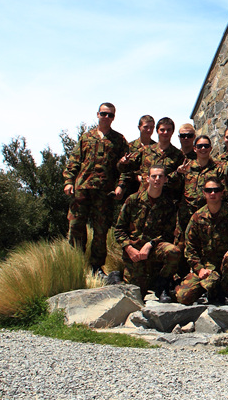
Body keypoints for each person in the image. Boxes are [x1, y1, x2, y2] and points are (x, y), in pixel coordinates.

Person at [62, 102, 129, 279]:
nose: (106, 117)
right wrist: (69, 182)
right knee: (76, 227)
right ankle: (75, 266)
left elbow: (126, 167)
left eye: (110, 115)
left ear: (114, 117)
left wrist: (121, 185)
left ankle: (96, 268)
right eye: (103, 114)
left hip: (104, 193)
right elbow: (74, 161)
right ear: (98, 114)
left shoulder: (119, 140)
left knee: (101, 231)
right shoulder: (86, 137)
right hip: (82, 190)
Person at [112, 165, 183, 300]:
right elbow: (119, 229)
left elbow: (169, 234)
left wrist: (151, 244)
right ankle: (115, 279)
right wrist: (128, 248)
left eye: (160, 176)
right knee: (136, 295)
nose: (157, 179)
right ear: (147, 179)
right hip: (134, 252)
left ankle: (162, 286)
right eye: (154, 176)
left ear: (165, 180)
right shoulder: (133, 200)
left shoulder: (168, 205)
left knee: (173, 251)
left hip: (154, 249)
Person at [177, 180, 228, 305]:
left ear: (222, 193)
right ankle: (211, 288)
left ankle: (224, 291)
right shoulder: (197, 217)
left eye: (216, 190)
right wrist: (199, 269)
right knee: (183, 296)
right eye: (208, 190)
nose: (212, 193)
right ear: (204, 193)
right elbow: (190, 248)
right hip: (207, 268)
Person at [177, 133, 228, 243]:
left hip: (207, 216)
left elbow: (223, 191)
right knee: (181, 246)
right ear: (194, 149)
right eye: (200, 146)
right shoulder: (186, 167)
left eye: (206, 146)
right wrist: (177, 173)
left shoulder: (218, 168)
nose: (203, 148)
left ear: (210, 148)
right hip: (186, 215)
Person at [117, 114, 156, 201]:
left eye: (151, 127)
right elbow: (122, 170)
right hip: (130, 189)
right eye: (146, 127)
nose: (149, 130)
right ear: (139, 127)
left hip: (149, 189)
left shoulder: (156, 148)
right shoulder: (130, 147)